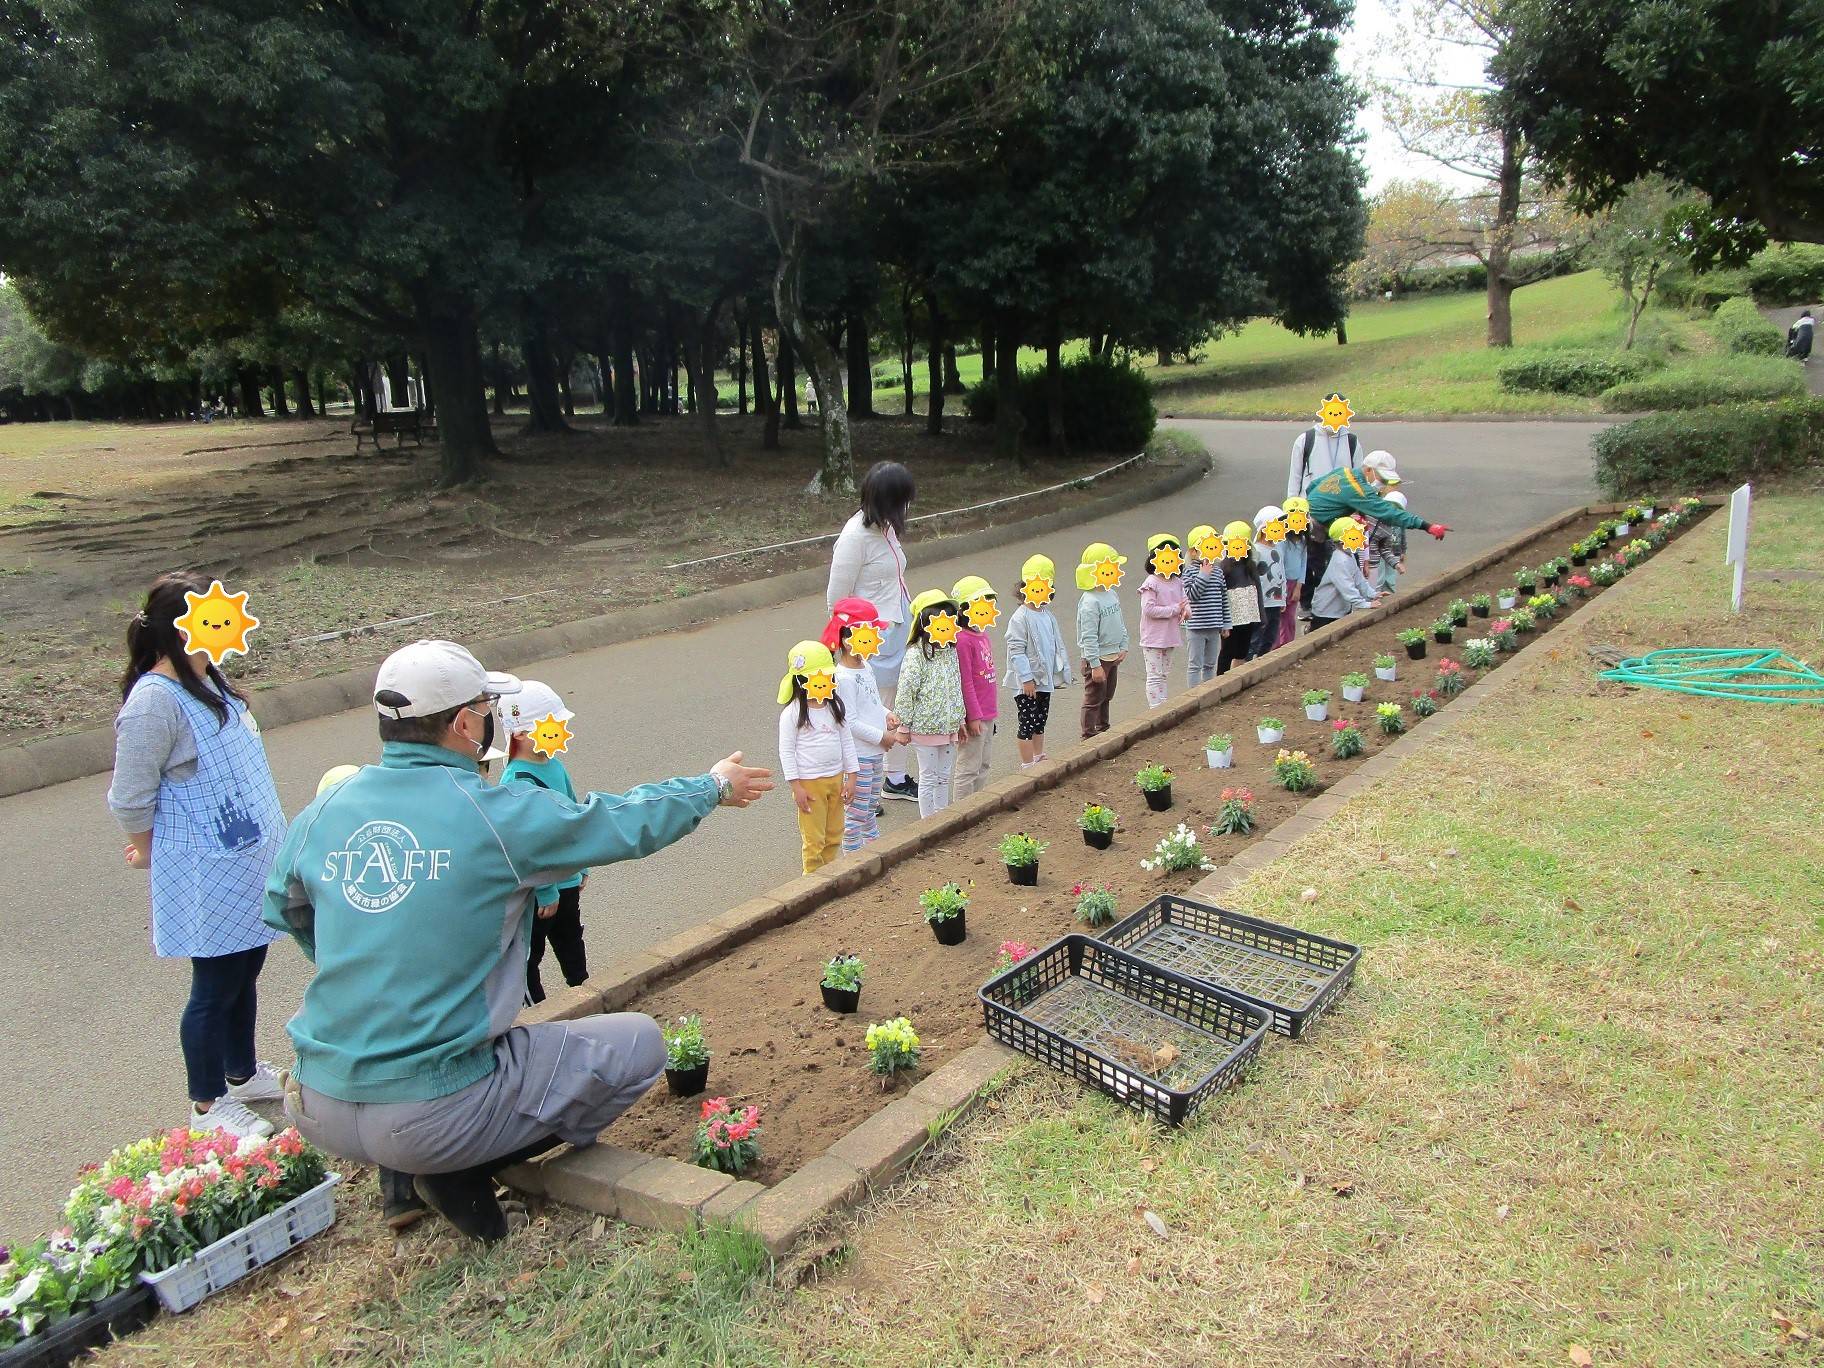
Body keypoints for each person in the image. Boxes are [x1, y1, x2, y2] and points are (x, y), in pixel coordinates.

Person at [264, 639, 772, 1243]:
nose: (493, 720)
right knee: (639, 1044)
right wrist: (711, 787)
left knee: (422, 1073)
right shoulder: (492, 813)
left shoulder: (326, 809)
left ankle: (404, 1173)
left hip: (316, 1100)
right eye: (486, 708)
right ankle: (455, 1169)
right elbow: (612, 823)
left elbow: (287, 906)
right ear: (462, 723)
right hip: (431, 1111)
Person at [108, 571, 287, 1141]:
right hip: (207, 868)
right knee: (214, 985)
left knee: (246, 969)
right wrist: (143, 846)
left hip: (247, 861)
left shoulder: (210, 678)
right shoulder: (153, 703)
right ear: (172, 637)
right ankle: (207, 1105)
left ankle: (241, 1072)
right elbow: (131, 794)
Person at [827, 462, 917, 801]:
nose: (908, 508)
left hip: (897, 626)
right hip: (867, 640)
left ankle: (894, 778)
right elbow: (836, 598)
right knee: (867, 711)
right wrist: (846, 646)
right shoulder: (855, 537)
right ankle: (862, 787)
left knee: (896, 705)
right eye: (904, 500)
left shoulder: (888, 527)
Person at [499, 681, 589, 1004]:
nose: (559, 730)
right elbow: (524, 845)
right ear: (521, 732)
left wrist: (583, 863)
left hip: (566, 882)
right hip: (541, 894)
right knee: (530, 956)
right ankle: (536, 1012)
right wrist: (546, 890)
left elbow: (575, 812)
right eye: (552, 724)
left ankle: (584, 1000)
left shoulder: (555, 766)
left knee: (572, 945)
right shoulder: (516, 781)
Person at [825, 598, 898, 854]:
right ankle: (854, 861)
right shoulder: (843, 677)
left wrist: (887, 713)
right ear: (847, 639)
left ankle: (873, 852)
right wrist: (882, 737)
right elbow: (849, 721)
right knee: (856, 813)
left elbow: (872, 701)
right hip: (860, 756)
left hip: (874, 752)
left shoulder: (865, 666)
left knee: (869, 807)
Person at [777, 641, 857, 874]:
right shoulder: (792, 714)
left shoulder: (834, 707)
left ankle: (830, 876)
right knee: (814, 840)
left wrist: (851, 777)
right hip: (810, 785)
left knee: (834, 834)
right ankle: (811, 883)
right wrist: (796, 786)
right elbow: (786, 751)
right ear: (802, 682)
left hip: (836, 779)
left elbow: (846, 741)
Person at [895, 590, 969, 817]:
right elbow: (906, 689)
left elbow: (956, 686)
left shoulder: (950, 651)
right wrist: (903, 726)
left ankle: (942, 818)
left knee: (943, 777)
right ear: (924, 624)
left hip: (948, 728)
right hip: (924, 728)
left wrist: (960, 719)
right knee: (928, 777)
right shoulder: (916, 653)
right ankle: (928, 823)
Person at [1005, 554, 1072, 767]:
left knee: (1040, 720)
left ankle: (1038, 755)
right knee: (1027, 721)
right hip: (1027, 683)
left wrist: (1060, 673)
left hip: (1043, 680)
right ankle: (1027, 764)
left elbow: (1055, 647)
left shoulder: (1047, 615)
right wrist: (1026, 678)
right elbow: (1016, 650)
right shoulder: (1020, 617)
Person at [950, 575, 1001, 800]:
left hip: (987, 712)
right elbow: (965, 681)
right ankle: (961, 812)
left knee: (984, 763)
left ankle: (976, 806)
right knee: (969, 767)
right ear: (963, 610)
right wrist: (973, 716)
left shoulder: (982, 636)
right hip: (976, 715)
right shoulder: (962, 640)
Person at [1074, 542, 1130, 738]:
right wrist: (1095, 665)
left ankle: (1103, 729)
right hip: (1097, 659)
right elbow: (1088, 636)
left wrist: (1124, 645)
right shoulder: (1090, 601)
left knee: (1106, 695)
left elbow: (1119, 622)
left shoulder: (1111, 593)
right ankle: (1089, 736)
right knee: (1093, 698)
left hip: (1113, 655)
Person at [1137, 534, 1188, 707]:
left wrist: (1187, 611)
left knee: (1164, 674)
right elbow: (1149, 609)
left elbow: (1185, 602)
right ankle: (1155, 709)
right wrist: (1174, 610)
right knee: (1154, 676)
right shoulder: (1151, 582)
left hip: (1169, 637)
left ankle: (1163, 706)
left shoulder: (1177, 582)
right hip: (1153, 638)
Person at [1286, 390, 1361, 502]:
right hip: (1310, 506)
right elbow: (1295, 478)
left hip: (1341, 507)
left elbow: (1358, 479)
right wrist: (1292, 506)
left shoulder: (1352, 442)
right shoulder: (1305, 440)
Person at [1309, 517, 1380, 630]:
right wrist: (1364, 604)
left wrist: (1372, 594)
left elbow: (1358, 579)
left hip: (1340, 609)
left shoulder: (1349, 555)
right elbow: (1347, 587)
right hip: (1326, 611)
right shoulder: (1340, 560)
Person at [1182, 524, 1232, 687]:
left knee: (1210, 664)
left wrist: (1226, 623)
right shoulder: (1189, 571)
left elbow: (1223, 598)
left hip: (1214, 626)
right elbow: (1191, 596)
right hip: (1196, 626)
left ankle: (1207, 693)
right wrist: (1203, 575)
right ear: (1194, 551)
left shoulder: (1218, 571)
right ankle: (1193, 697)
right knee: (1195, 665)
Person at [1216, 522, 1262, 675]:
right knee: (1227, 651)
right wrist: (1221, 621)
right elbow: (1219, 595)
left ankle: (1236, 678)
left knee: (1242, 651)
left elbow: (1258, 591)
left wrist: (1262, 615)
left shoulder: (1250, 567)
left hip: (1248, 616)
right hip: (1231, 618)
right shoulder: (1224, 568)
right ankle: (1219, 682)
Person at [1276, 498, 1312, 647]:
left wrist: (1298, 587)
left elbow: (1303, 564)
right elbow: (1279, 565)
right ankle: (1277, 649)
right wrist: (1283, 590)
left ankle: (1288, 646)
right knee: (1279, 619)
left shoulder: (1303, 540)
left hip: (1295, 584)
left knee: (1290, 619)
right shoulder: (1282, 540)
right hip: (1281, 584)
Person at [1367, 490, 1409, 594]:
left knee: (1391, 577)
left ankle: (1389, 593)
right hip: (1380, 551)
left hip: (1394, 551)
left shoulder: (1400, 521)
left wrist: (1403, 551)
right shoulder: (1378, 521)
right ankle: (1376, 592)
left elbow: (1403, 536)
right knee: (1378, 575)